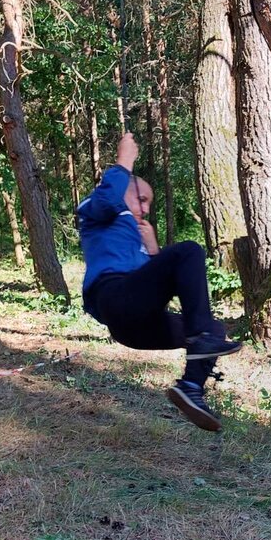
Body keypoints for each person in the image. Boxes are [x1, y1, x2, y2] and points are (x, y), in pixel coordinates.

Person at [78, 133, 241, 432]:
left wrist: (153, 251)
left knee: (214, 330)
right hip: (114, 299)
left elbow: (155, 288)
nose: (146, 209)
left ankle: (190, 387)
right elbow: (106, 200)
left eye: (149, 203)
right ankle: (200, 339)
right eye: (141, 199)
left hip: (138, 327)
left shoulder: (137, 235)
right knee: (189, 250)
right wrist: (124, 162)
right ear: (123, 190)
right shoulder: (96, 211)